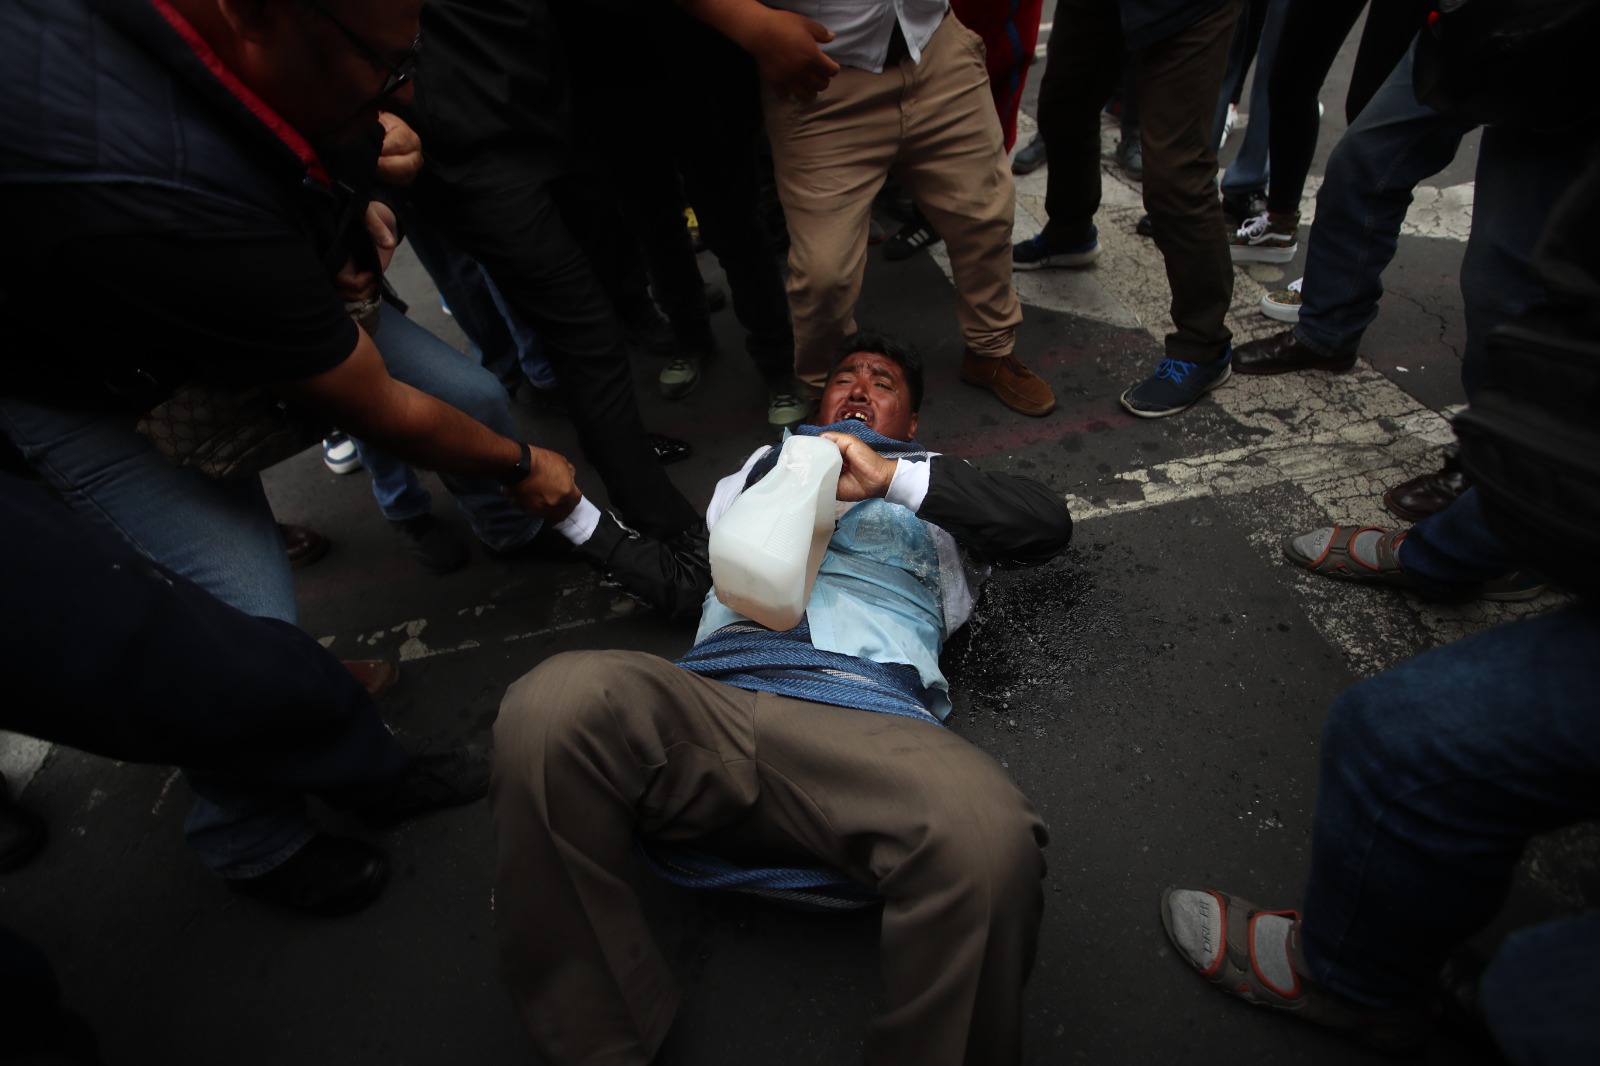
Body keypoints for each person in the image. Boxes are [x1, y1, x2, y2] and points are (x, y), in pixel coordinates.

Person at [0, 0, 578, 895]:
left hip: (236, 300)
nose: (409, 89)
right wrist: (522, 466)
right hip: (107, 393)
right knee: (238, 632)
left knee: (474, 394)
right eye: (390, 67)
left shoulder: (248, 52)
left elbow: (322, 141)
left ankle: (509, 530)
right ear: (258, 15)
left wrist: (365, 193)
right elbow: (373, 404)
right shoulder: (159, 185)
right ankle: (253, 838)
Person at [490, 332, 1073, 1064]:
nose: (859, 387)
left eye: (883, 381)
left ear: (913, 423)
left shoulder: (941, 486)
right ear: (818, 401)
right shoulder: (754, 474)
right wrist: (574, 513)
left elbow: (1047, 529)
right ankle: (602, 1043)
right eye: (845, 377)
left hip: (862, 723)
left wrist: (895, 480)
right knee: (549, 706)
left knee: (990, 842)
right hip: (712, 706)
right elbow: (687, 585)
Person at [678, 0, 1059, 419]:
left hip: (933, 42)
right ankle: (824, 397)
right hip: (820, 69)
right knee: (825, 275)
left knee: (985, 214)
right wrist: (757, 26)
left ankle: (990, 351)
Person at [1018, 0, 1242, 419]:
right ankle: (1070, 233)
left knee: (1176, 171)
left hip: (1186, 9)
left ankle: (1203, 344)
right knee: (1063, 109)